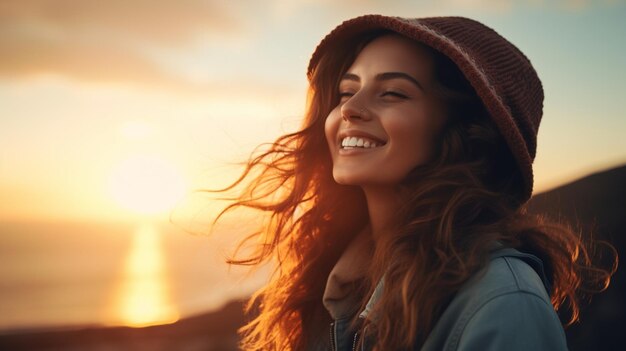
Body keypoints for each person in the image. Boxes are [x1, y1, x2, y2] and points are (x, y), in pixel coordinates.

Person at [214, 15, 615, 350]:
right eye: (346, 91)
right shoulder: (332, 282)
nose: (350, 109)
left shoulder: (505, 303)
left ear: (464, 132)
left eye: (392, 93)